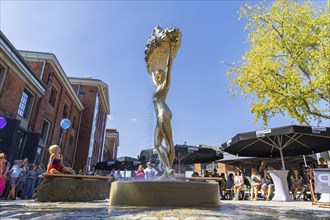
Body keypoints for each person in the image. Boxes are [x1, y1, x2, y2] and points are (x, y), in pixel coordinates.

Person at [150, 40, 176, 179]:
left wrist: (170, 50)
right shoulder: (158, 87)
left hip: (163, 113)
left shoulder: (165, 84)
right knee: (159, 143)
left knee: (166, 143)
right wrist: (151, 63)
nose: (157, 76)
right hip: (162, 114)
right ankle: (168, 172)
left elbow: (169, 66)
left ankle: (168, 169)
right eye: (157, 75)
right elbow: (152, 75)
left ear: (163, 76)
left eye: (160, 75)